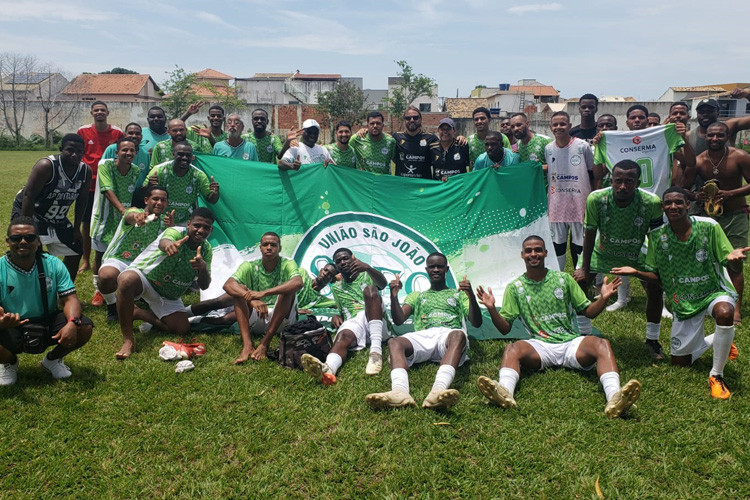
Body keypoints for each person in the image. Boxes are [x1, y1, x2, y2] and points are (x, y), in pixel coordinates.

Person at [475, 235, 640, 418]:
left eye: (538, 249)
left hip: (570, 343)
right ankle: (504, 392)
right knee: (512, 348)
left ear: (545, 253)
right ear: (522, 255)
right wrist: (491, 309)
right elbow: (505, 328)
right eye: (528, 251)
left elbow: (589, 312)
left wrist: (603, 298)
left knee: (602, 344)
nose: (533, 254)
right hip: (540, 346)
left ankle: (615, 398)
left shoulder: (563, 279)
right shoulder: (515, 287)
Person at [612, 187, 746, 399]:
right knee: (681, 362)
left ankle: (716, 375)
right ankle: (722, 340)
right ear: (663, 207)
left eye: (678, 202)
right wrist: (637, 272)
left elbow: (729, 262)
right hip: (684, 300)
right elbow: (657, 277)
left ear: (687, 205)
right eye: (668, 203)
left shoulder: (709, 227)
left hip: (714, 291)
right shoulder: (657, 237)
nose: (673, 206)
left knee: (724, 313)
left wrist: (735, 263)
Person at [573, 160, 666, 360]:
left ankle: (652, 340)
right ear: (611, 180)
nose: (623, 186)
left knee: (655, 287)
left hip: (635, 251)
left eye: (629, 181)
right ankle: (583, 335)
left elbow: (656, 238)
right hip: (603, 250)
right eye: (618, 181)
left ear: (638, 182)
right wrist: (585, 267)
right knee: (580, 282)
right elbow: (589, 233)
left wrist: (657, 269)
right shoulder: (596, 199)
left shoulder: (651, 202)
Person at [365, 253, 482, 410]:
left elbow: (476, 322)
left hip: (447, 335)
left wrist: (471, 297)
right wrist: (394, 297)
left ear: (446, 269)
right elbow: (399, 319)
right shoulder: (417, 296)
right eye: (432, 267)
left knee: (459, 335)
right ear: (426, 270)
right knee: (394, 342)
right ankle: (399, 391)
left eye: (439, 266)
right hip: (423, 336)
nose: (435, 269)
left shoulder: (458, 294)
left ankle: (438, 390)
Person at [0, 217, 94, 385]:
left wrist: (72, 323)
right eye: (16, 238)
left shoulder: (52, 264)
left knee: (84, 326)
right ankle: (8, 363)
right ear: (7, 241)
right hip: (12, 323)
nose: (23, 242)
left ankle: (52, 360)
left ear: (38, 241)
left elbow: (70, 299)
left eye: (29, 237)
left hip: (47, 321)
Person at [115, 207, 214, 359]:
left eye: (206, 228)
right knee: (127, 280)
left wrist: (202, 269)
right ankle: (128, 340)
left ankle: (138, 312)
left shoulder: (206, 250)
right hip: (146, 279)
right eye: (197, 225)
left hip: (169, 295)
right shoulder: (175, 232)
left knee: (181, 328)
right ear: (188, 224)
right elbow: (164, 241)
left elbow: (205, 285)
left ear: (211, 230)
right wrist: (169, 245)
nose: (201, 230)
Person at [684, 122, 750, 324]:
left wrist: (731, 193)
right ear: (705, 137)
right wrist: (696, 196)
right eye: (711, 136)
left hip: (735, 215)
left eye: (720, 136)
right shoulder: (698, 161)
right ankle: (711, 301)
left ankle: (736, 307)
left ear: (727, 135)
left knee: (735, 261)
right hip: (709, 219)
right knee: (708, 261)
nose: (715, 139)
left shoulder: (739, 156)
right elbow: (684, 188)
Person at [301, 247, 388, 384]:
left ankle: (376, 353)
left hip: (376, 319)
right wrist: (336, 315)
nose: (342, 262)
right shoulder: (336, 288)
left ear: (353, 258)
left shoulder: (366, 274)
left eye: (345, 258)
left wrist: (367, 267)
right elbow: (342, 310)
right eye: (338, 261)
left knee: (370, 291)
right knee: (342, 336)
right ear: (337, 267)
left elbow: (382, 284)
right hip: (356, 321)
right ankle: (328, 369)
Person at [11, 134, 91, 281]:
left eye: (79, 151)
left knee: (76, 249)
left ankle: (65, 291)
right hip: (31, 212)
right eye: (70, 150)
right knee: (30, 250)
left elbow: (82, 200)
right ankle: (27, 288)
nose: (75, 154)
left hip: (56, 216)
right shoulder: (46, 166)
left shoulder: (85, 171)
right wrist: (30, 230)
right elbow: (28, 196)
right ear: (61, 149)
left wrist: (76, 228)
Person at [223, 232, 303, 363]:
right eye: (265, 244)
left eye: (273, 245)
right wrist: (250, 299)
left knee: (287, 289)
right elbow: (228, 285)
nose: (269, 247)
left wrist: (263, 293)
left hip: (282, 321)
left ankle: (265, 343)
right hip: (258, 316)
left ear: (280, 248)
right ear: (260, 248)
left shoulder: (287, 263)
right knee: (239, 291)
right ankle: (247, 345)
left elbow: (298, 282)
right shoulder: (249, 264)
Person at [98, 186, 173, 321]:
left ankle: (140, 299)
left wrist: (170, 229)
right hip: (119, 259)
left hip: (142, 265)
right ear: (146, 200)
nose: (159, 203)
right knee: (106, 276)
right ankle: (111, 304)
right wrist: (138, 217)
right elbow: (131, 216)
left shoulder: (165, 222)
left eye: (163, 200)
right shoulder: (135, 212)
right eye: (155, 199)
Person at [89, 138, 142, 307]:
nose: (128, 153)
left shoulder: (135, 170)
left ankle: (120, 288)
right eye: (124, 150)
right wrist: (122, 210)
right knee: (100, 254)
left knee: (120, 253)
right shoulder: (105, 165)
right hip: (105, 217)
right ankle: (98, 289)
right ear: (116, 152)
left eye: (132, 151)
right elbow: (107, 189)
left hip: (124, 220)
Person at [77, 101, 124, 273]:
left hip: (112, 185)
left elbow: (125, 150)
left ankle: (111, 257)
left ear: (108, 112)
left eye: (102, 110)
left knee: (112, 222)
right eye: (96, 110)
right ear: (91, 112)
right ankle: (85, 260)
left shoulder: (117, 132)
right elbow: (78, 153)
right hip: (89, 185)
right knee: (87, 223)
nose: (99, 112)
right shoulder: (83, 131)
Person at [544, 111, 593, 272]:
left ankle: (582, 281)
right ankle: (558, 279)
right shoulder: (549, 148)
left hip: (579, 205)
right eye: (555, 124)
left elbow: (591, 172)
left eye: (562, 124)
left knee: (580, 246)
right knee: (557, 246)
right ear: (551, 127)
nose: (559, 127)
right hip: (557, 205)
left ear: (570, 126)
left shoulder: (582, 147)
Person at [143, 141, 220, 226]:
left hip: (184, 222)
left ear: (192, 157)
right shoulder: (159, 170)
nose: (184, 158)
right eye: (180, 154)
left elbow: (212, 200)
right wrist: (149, 186)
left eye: (188, 155)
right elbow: (142, 195)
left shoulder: (198, 175)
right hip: (159, 220)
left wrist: (215, 193)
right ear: (173, 154)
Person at [392, 106, 441, 179]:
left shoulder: (431, 138)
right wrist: (368, 133)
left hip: (423, 186)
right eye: (408, 118)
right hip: (403, 186)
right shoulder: (396, 137)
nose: (412, 120)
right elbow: (381, 138)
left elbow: (447, 148)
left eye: (415, 117)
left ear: (420, 119)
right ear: (404, 120)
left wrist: (460, 139)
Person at [100, 122, 151, 187]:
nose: (134, 136)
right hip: (113, 193)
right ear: (124, 134)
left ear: (141, 136)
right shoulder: (111, 149)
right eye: (130, 133)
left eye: (137, 134)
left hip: (137, 194)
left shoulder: (145, 155)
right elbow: (103, 172)